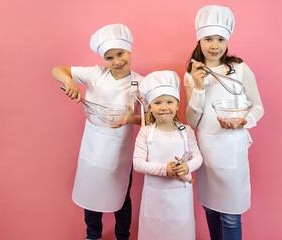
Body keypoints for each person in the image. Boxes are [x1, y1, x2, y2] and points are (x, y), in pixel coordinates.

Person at [51, 24, 144, 240]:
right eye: (109, 58)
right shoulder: (96, 74)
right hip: (93, 146)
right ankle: (93, 234)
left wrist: (133, 119)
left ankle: (123, 235)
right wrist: (69, 81)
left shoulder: (141, 82)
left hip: (120, 151)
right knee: (90, 193)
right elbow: (57, 69)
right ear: (104, 60)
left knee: (122, 196)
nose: (117, 61)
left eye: (120, 54)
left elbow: (152, 118)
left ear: (129, 50)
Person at [184, 5, 265, 240]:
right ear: (199, 40)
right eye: (208, 39)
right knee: (210, 208)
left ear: (226, 41)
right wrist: (198, 89)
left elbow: (258, 107)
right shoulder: (192, 74)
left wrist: (244, 120)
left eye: (220, 39)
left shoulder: (239, 69)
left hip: (233, 149)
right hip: (206, 150)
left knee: (230, 216)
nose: (214, 45)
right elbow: (191, 120)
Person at [133, 71, 203, 239]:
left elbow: (198, 158)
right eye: (157, 103)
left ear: (178, 105)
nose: (164, 107)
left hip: (180, 197)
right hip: (154, 196)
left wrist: (187, 167)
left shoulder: (186, 131)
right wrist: (165, 169)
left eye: (169, 102)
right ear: (150, 107)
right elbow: (137, 163)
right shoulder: (146, 132)